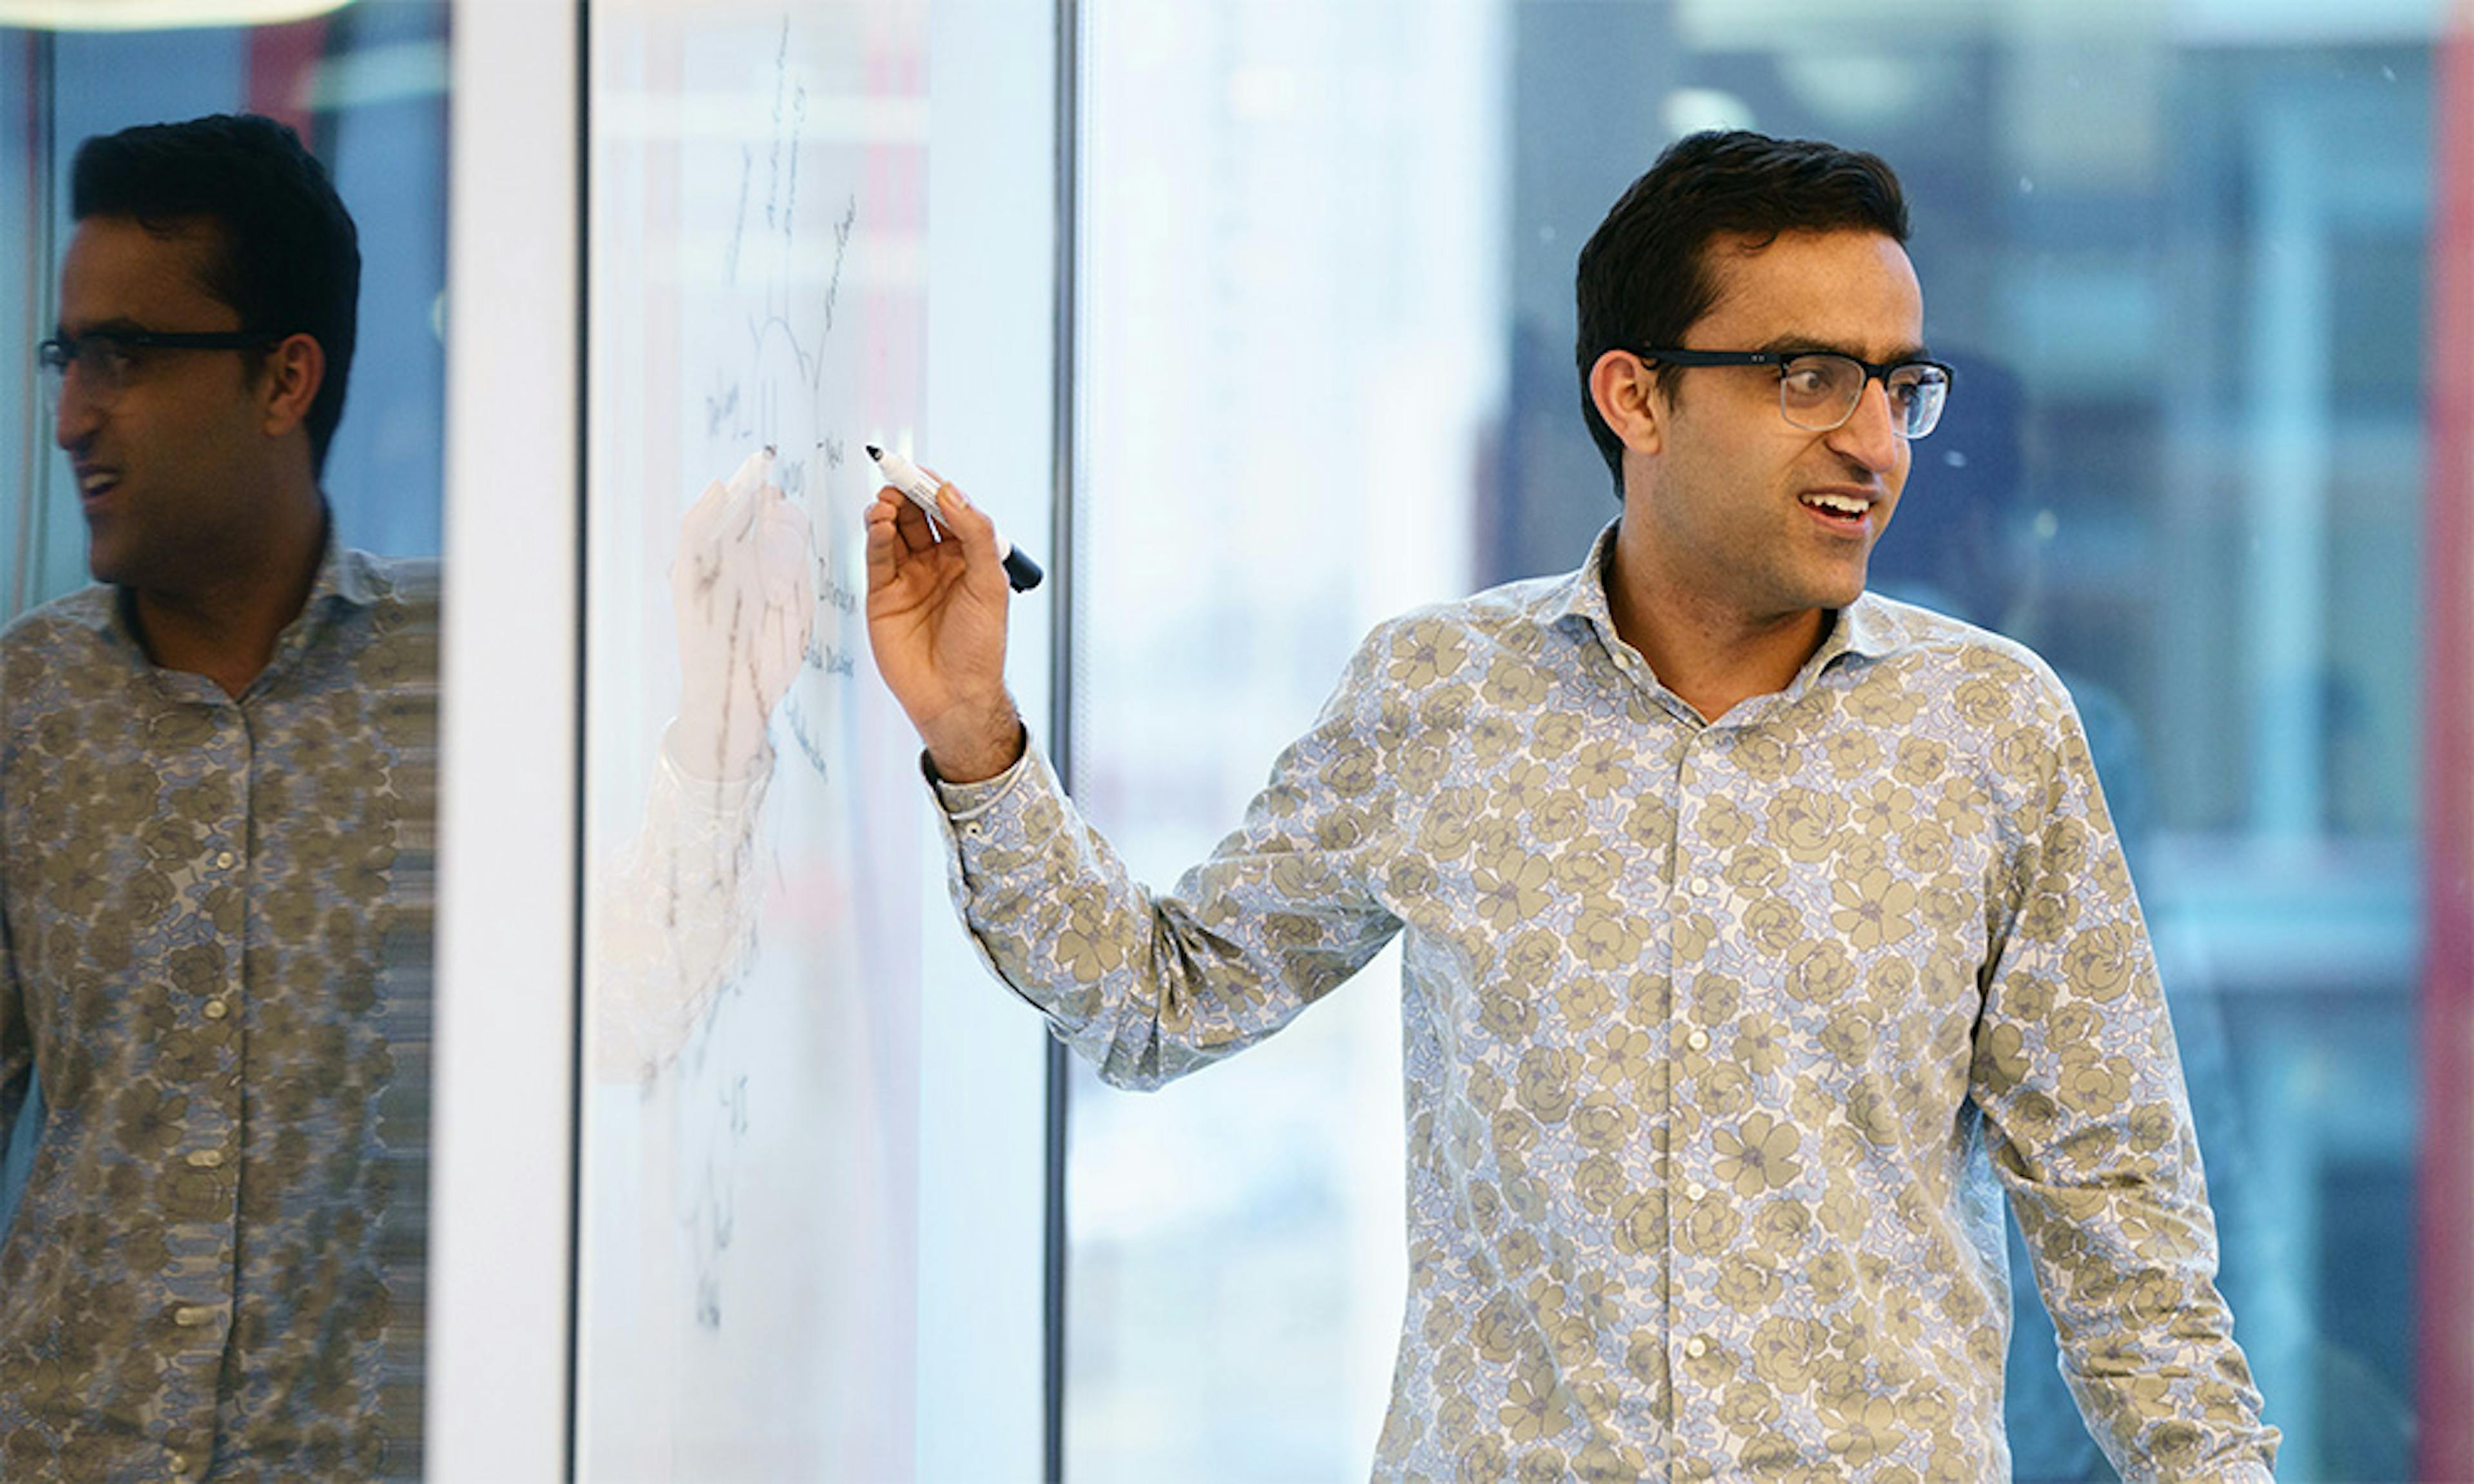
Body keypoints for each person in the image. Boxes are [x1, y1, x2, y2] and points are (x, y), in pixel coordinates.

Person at [867, 130, 2279, 1479]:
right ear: (1636, 396)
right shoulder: (1439, 698)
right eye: (1808, 378)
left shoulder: (1992, 730)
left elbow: (2124, 1223)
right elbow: (1158, 1004)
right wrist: (974, 728)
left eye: (1898, 387)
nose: (1876, 442)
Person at [0, 114, 432, 1481]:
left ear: (283, 378)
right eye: (68, 357)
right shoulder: (23, 711)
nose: (72, 417)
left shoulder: (482, 683)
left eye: (125, 357)